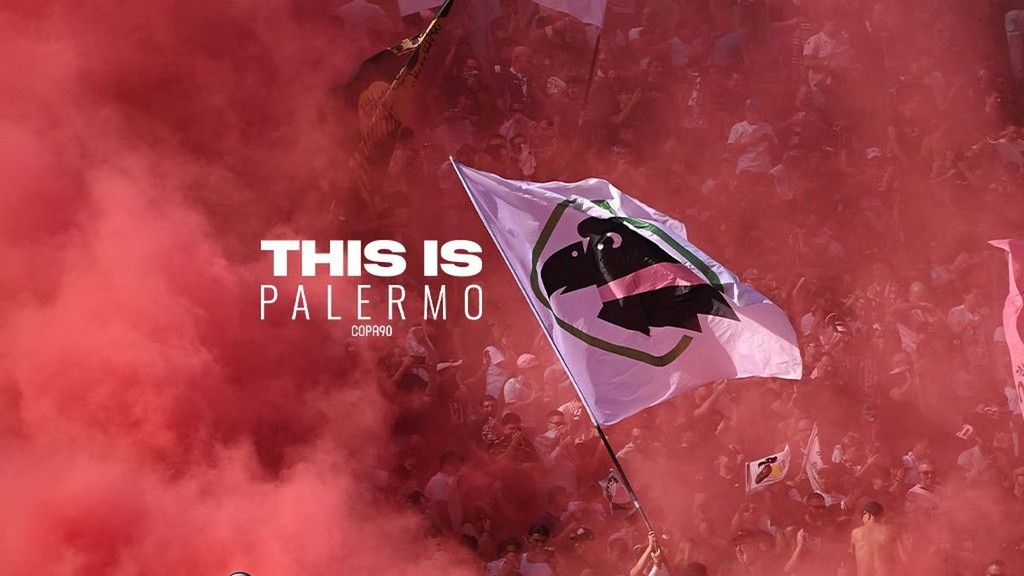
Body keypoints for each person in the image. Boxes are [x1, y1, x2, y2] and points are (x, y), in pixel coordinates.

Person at [850, 501, 898, 576]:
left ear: (868, 515)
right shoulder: (890, 532)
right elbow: (901, 558)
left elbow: (851, 556)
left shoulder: (856, 533)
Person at [424, 451, 464, 533]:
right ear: (446, 465)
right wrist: (449, 533)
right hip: (446, 530)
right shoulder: (439, 481)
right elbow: (441, 509)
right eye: (456, 466)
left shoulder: (449, 479)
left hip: (454, 529)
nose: (459, 469)